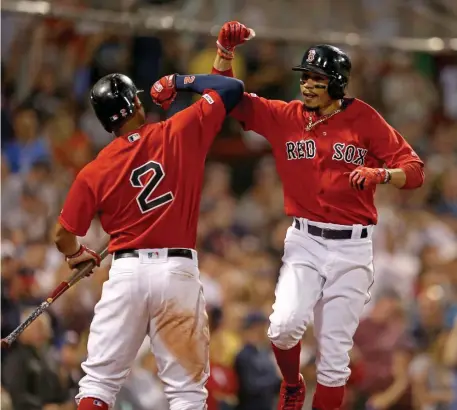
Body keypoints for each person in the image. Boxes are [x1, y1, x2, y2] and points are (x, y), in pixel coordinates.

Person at [211, 21, 425, 410]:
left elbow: (414, 171)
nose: (307, 85)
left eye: (318, 79)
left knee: (333, 364)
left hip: (352, 250)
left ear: (338, 84)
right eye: (305, 77)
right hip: (305, 240)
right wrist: (225, 54)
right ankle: (292, 385)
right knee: (283, 327)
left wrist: (383, 174)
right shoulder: (285, 115)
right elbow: (224, 98)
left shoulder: (364, 119)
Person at [53, 72, 244, 410]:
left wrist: (78, 254)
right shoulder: (176, 131)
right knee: (186, 392)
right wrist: (179, 81)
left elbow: (63, 235)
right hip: (176, 271)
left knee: (98, 384)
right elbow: (231, 89)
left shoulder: (95, 170)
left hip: (126, 272)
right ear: (136, 103)